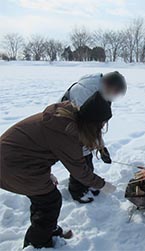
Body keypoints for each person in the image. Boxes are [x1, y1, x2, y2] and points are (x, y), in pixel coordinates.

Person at [0, 92, 116, 248]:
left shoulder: (66, 116)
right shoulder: (67, 132)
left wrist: (47, 174)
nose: (102, 127)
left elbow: (37, 147)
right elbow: (80, 171)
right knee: (50, 201)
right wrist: (102, 185)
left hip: (16, 161)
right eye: (101, 123)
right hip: (13, 167)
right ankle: (37, 242)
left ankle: (48, 228)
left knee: (44, 198)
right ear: (92, 121)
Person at [61, 71, 126, 203]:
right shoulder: (84, 93)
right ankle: (77, 191)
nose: (115, 96)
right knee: (81, 160)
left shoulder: (102, 92)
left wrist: (101, 147)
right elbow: (86, 125)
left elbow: (96, 124)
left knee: (87, 158)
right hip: (68, 126)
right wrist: (93, 146)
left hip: (83, 125)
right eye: (115, 92)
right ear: (109, 85)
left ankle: (86, 183)